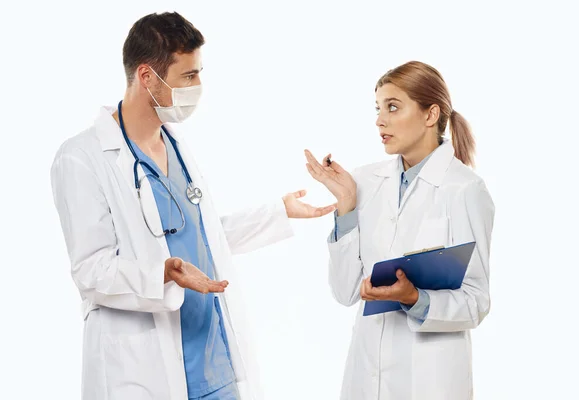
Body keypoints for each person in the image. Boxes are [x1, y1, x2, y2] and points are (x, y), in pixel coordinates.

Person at [50, 12, 335, 400]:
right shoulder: (82, 158)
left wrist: (276, 212)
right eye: (188, 76)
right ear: (147, 77)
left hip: (211, 358)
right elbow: (90, 269)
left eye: (199, 73)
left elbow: (200, 235)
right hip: (144, 369)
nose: (198, 86)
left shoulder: (176, 146)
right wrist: (162, 273)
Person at [305, 61, 495, 400]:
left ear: (430, 114)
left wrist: (415, 298)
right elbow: (345, 291)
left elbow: (476, 301)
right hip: (367, 375)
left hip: (430, 380)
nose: (380, 120)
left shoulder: (464, 189)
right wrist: (346, 204)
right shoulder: (363, 182)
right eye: (378, 109)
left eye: (393, 107)